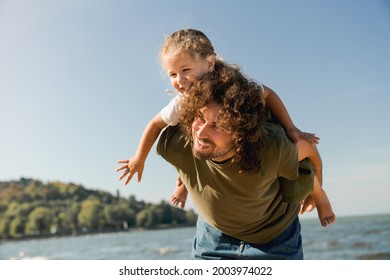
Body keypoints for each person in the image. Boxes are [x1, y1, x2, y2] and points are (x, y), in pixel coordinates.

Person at [116, 29, 333, 226]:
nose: (179, 80)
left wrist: (290, 127)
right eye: (172, 74)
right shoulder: (183, 102)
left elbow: (269, 95)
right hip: (209, 149)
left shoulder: (240, 89)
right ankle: (182, 185)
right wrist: (139, 158)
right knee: (193, 135)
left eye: (185, 70)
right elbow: (154, 125)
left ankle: (320, 196)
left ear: (210, 64)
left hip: (257, 125)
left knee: (295, 172)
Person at [119, 63, 333, 259]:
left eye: (217, 126)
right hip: (213, 239)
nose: (201, 132)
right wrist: (154, 168)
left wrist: (320, 194)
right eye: (200, 118)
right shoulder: (176, 144)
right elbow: (158, 127)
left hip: (274, 238)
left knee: (298, 173)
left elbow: (309, 150)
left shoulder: (270, 147)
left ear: (240, 132)